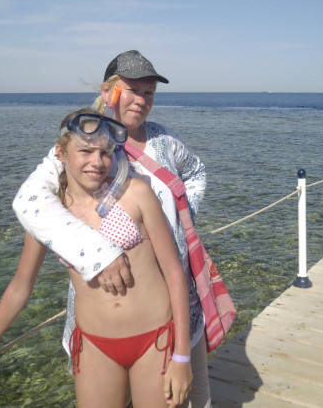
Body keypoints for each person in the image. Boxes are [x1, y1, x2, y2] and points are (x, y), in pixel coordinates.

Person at [12, 50, 215, 407]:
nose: (141, 100)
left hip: (175, 303)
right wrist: (96, 252)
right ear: (108, 92)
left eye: (149, 93)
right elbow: (34, 199)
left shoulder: (165, 141)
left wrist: (184, 222)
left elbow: (196, 172)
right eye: (132, 90)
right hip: (103, 313)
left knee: (193, 398)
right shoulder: (86, 142)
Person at [0, 110, 193, 407]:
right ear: (61, 153)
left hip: (154, 339)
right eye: (85, 151)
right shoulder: (50, 215)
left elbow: (174, 271)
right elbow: (21, 286)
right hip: (96, 345)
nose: (97, 161)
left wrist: (182, 356)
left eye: (105, 152)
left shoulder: (136, 193)